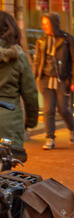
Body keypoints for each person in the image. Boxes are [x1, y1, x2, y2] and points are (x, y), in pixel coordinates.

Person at [32, 12, 74, 150]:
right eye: (43, 24)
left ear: (54, 24)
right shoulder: (41, 40)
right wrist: (36, 77)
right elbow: (37, 60)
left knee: (64, 109)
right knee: (48, 110)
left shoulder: (67, 39)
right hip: (45, 79)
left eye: (47, 24)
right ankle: (50, 138)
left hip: (62, 79)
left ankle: (72, 129)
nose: (44, 27)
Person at [0, 11, 38, 148]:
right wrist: (31, 121)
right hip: (8, 122)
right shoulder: (18, 56)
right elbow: (30, 92)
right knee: (6, 160)